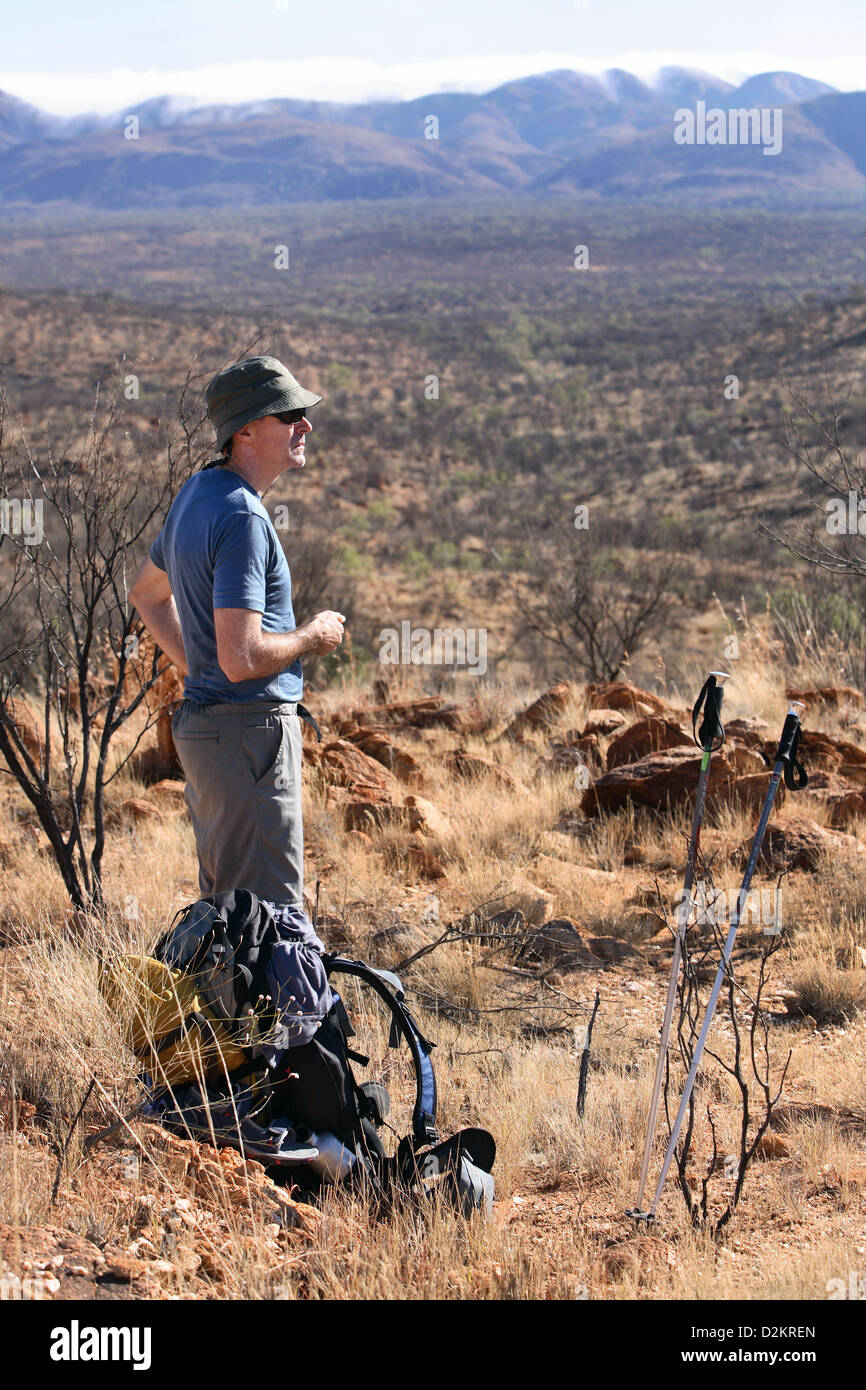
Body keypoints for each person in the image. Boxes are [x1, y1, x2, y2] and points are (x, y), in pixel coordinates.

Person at [130, 355, 344, 1021]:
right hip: (248, 734)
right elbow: (245, 654)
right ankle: (288, 1090)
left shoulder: (199, 494)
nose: (305, 423)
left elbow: (146, 593)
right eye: (289, 415)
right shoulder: (245, 518)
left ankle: (217, 1069)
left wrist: (195, 665)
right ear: (248, 430)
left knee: (230, 914)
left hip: (209, 732)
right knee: (272, 919)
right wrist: (313, 636)